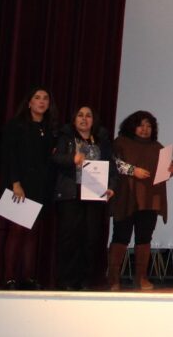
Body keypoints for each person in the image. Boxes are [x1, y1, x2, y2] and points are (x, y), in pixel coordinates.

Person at [51, 106, 117, 290]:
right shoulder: (65, 138)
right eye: (80, 115)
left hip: (94, 194)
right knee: (70, 238)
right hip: (70, 194)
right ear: (74, 119)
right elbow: (55, 158)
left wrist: (111, 187)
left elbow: (111, 167)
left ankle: (86, 280)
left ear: (93, 121)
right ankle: (67, 281)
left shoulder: (102, 141)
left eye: (88, 116)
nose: (84, 119)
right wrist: (71, 159)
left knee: (90, 238)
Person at [0, 87, 57, 290]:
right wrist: (15, 183)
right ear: (29, 102)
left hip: (41, 187)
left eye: (45, 98)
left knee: (32, 233)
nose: (42, 101)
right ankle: (9, 277)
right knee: (17, 232)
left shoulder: (49, 129)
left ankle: (27, 277)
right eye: (37, 98)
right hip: (20, 185)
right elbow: (9, 156)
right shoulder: (17, 125)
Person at [110, 110, 173, 291]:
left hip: (149, 199)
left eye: (149, 126)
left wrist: (171, 168)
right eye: (141, 125)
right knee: (121, 236)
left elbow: (166, 167)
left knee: (144, 237)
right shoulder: (120, 142)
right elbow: (113, 163)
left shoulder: (157, 147)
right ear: (132, 126)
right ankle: (114, 278)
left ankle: (141, 277)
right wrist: (133, 171)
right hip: (126, 196)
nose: (145, 129)